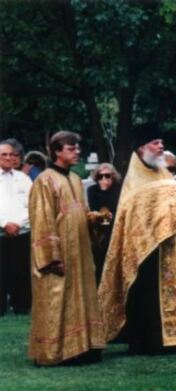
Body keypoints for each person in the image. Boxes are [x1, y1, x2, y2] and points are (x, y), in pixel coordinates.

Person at [99, 122, 176, 355]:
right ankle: (151, 341)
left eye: (161, 143)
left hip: (174, 247)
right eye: (155, 143)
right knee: (149, 295)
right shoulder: (134, 183)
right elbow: (133, 221)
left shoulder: (165, 176)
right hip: (148, 251)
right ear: (141, 149)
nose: (160, 147)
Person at [28, 131, 106, 365]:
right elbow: (42, 220)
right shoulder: (45, 180)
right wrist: (51, 257)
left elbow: (78, 212)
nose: (77, 152)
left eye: (77, 148)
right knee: (58, 298)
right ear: (56, 151)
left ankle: (84, 347)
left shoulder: (74, 179)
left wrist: (94, 220)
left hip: (79, 251)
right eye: (71, 149)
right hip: (59, 252)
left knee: (81, 297)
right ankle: (56, 352)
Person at [0, 140, 33, 316]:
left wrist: (18, 224)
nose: (8, 157)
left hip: (22, 233)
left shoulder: (24, 178)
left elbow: (33, 205)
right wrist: (4, 223)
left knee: (21, 271)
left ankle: (21, 306)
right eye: (4, 154)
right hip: (0, 233)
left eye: (12, 154)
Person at [86, 163, 122, 284]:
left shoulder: (119, 189)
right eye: (100, 176)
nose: (104, 179)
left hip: (115, 230)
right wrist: (103, 190)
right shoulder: (92, 190)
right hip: (99, 232)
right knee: (100, 263)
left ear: (113, 176)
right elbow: (94, 208)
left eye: (107, 176)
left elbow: (118, 208)